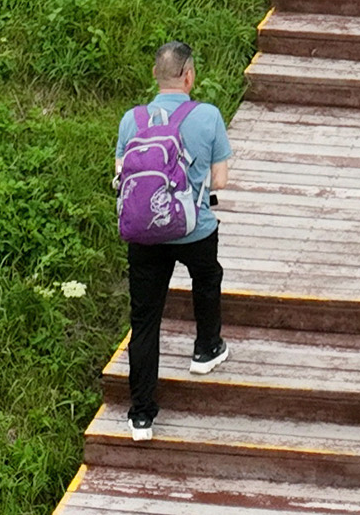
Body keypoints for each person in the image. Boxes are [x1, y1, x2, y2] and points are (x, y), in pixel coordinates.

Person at [113, 40, 232, 441]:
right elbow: (219, 181)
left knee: (145, 319)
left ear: (154, 75)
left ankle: (141, 415)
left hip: (143, 234)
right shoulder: (208, 116)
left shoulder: (132, 119)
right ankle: (206, 348)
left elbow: (120, 176)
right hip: (192, 227)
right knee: (207, 275)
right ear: (190, 75)